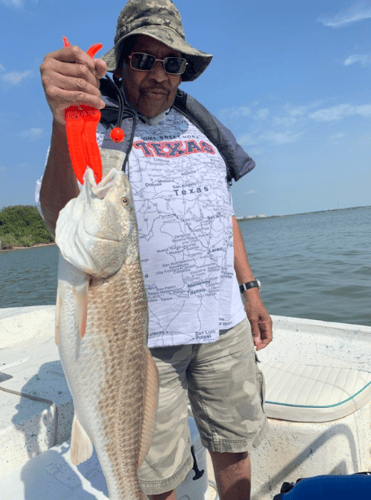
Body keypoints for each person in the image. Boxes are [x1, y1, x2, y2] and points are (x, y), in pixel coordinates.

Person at [37, 1, 273, 499]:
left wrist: (249, 288)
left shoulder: (203, 129)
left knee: (234, 448)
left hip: (223, 324)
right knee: (152, 474)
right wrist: (63, 123)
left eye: (172, 62)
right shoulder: (93, 125)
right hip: (141, 341)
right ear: (121, 62)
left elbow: (220, 213)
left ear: (184, 71)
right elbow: (61, 214)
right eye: (143, 59)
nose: (159, 74)